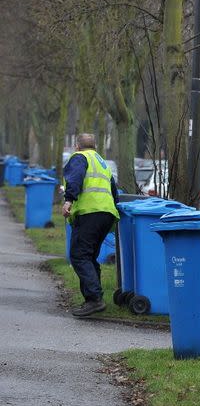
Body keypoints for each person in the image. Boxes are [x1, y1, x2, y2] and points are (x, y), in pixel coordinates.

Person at [62, 134, 120, 317]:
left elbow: (75, 179)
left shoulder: (80, 157)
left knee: (79, 256)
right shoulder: (103, 163)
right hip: (106, 214)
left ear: (77, 145)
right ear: (95, 146)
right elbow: (113, 190)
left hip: (90, 212)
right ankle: (91, 300)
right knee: (89, 257)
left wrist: (68, 200)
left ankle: (95, 299)